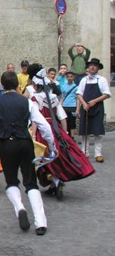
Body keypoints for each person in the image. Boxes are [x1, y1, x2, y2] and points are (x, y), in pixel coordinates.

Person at [0, 71, 56, 235]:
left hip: (6, 144)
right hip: (24, 142)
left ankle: (20, 207)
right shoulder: (27, 102)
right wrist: (51, 145)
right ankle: (40, 222)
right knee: (31, 182)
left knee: (12, 181)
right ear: (17, 86)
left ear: (2, 85)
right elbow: (44, 126)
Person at [28, 64, 95, 200]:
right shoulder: (53, 97)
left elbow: (36, 120)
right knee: (58, 156)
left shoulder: (35, 98)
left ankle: (56, 181)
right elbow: (62, 116)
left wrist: (34, 135)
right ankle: (55, 182)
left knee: (44, 158)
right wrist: (65, 133)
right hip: (56, 128)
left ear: (36, 85)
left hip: (42, 130)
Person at [76, 58, 111, 163]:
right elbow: (79, 93)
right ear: (88, 67)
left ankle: (98, 153)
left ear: (98, 68)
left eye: (95, 65)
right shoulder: (84, 80)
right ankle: (84, 152)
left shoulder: (102, 80)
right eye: (91, 65)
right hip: (86, 108)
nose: (92, 67)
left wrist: (95, 101)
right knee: (84, 132)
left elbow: (107, 94)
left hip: (97, 109)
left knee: (98, 132)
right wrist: (83, 103)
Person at [59, 70, 80, 139]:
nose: (69, 78)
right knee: (65, 122)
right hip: (65, 106)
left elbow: (77, 99)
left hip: (72, 106)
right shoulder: (63, 86)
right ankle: (66, 136)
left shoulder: (76, 87)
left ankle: (72, 137)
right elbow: (62, 97)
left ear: (73, 77)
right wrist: (60, 106)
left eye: (71, 76)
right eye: (68, 77)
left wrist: (77, 109)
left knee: (72, 122)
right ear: (66, 77)